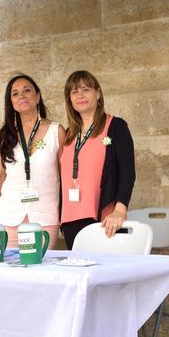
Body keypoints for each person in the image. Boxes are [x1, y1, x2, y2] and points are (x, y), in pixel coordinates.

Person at [59, 70, 136, 249]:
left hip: (105, 219)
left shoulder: (115, 126)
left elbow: (128, 172)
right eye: (74, 91)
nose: (80, 95)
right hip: (71, 220)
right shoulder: (68, 134)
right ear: (69, 99)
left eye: (86, 89)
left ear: (98, 93)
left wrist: (119, 211)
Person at [0, 74, 65, 248]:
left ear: (37, 96)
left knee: (40, 264)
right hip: (7, 216)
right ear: (11, 102)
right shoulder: (5, 135)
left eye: (27, 90)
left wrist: (65, 213)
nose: (22, 96)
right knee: (9, 265)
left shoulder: (56, 132)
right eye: (15, 93)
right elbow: (0, 175)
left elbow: (64, 176)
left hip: (45, 217)